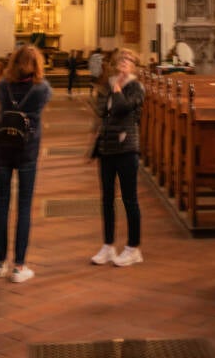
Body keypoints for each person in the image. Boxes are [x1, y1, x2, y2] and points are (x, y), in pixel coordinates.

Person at [0, 44, 52, 282]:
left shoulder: (2, 87)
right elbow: (46, 97)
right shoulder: (41, 89)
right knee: (24, 205)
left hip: (3, 149)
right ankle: (19, 266)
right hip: (27, 150)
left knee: (1, 203)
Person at [90, 48, 145, 267]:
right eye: (121, 59)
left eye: (129, 60)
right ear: (114, 63)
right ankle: (108, 245)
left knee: (130, 199)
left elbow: (122, 107)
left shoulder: (137, 87)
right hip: (106, 146)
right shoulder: (106, 85)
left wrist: (118, 88)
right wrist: (114, 89)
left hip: (127, 148)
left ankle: (133, 248)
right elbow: (103, 110)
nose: (124, 63)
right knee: (107, 199)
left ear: (134, 66)